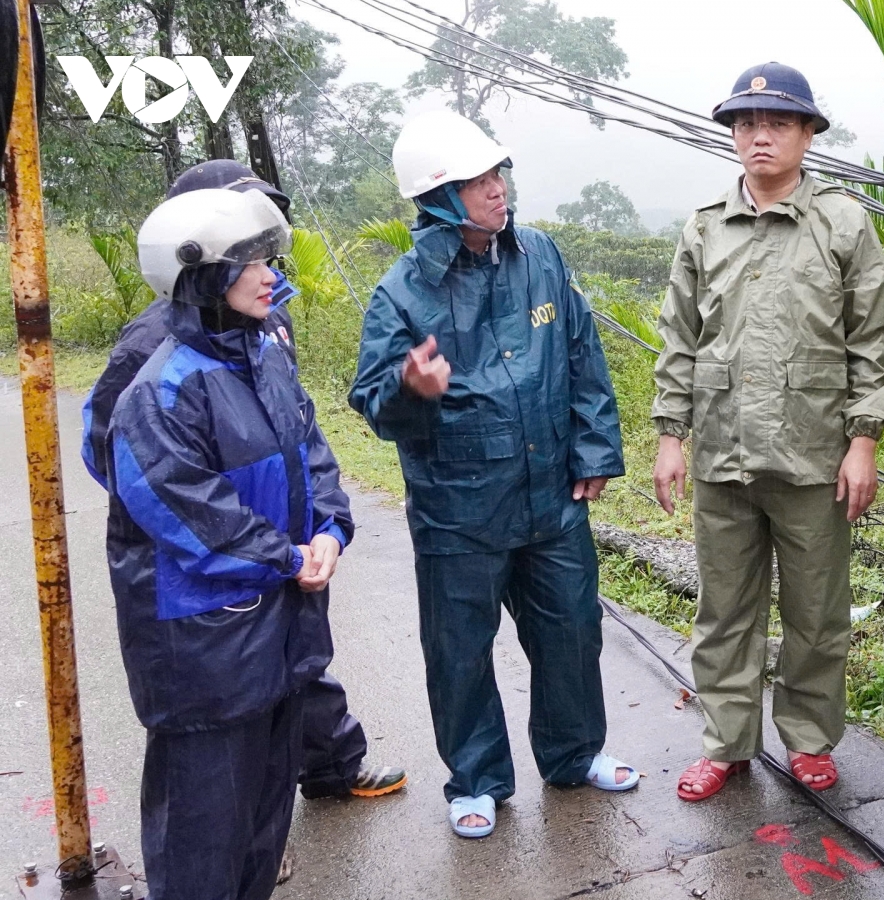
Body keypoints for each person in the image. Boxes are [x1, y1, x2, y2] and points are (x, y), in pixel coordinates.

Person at [82, 159, 406, 810]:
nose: (267, 261)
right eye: (248, 242)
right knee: (216, 753)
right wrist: (198, 513)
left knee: (296, 673)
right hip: (208, 575)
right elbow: (109, 447)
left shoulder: (264, 317)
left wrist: (323, 526)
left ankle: (326, 768)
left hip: (276, 559)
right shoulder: (155, 341)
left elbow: (297, 428)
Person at [349, 109, 636, 840]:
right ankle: (475, 780)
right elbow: (373, 403)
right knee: (459, 650)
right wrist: (409, 389)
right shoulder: (401, 292)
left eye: (497, 173)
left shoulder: (540, 255)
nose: (496, 189)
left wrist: (595, 451)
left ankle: (575, 754)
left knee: (572, 630)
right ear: (437, 197)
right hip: (457, 508)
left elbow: (582, 354)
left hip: (550, 497)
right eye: (476, 180)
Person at [652, 62, 884, 802]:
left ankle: (809, 738)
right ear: (733, 135)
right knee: (724, 609)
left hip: (813, 454)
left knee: (816, 614)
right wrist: (671, 434)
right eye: (746, 124)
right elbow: (679, 337)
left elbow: (874, 340)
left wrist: (863, 440)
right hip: (723, 452)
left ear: (806, 134)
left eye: (778, 123)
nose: (760, 135)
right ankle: (725, 741)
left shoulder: (844, 223)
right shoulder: (704, 227)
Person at [105, 188, 351, 900]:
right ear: (201, 272)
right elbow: (189, 515)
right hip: (203, 652)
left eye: (268, 257)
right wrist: (287, 556)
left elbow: (314, 454)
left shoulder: (266, 359)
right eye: (249, 260)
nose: (268, 273)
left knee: (263, 830)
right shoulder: (158, 394)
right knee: (202, 842)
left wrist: (330, 529)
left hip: (277, 632)